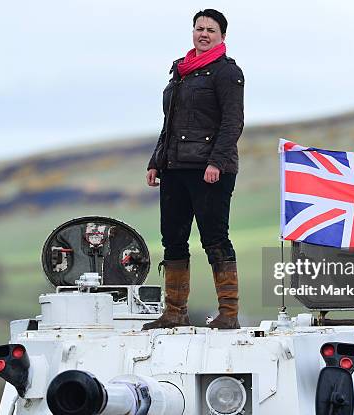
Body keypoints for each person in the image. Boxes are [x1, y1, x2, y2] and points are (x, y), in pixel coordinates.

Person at [143, 9, 244, 330]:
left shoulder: (228, 73)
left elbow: (233, 122)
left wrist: (216, 161)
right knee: (172, 239)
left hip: (210, 169)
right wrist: (156, 161)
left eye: (210, 30)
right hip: (174, 167)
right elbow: (169, 123)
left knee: (215, 238)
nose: (203, 34)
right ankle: (175, 312)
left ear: (222, 36)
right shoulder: (181, 71)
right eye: (199, 28)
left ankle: (228, 313)